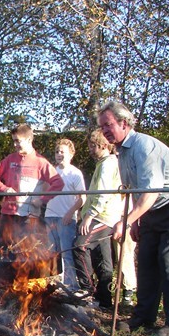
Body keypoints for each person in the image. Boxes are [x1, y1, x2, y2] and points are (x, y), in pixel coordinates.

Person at [98, 101, 169, 336]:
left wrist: (127, 221)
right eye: (102, 127)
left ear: (124, 122)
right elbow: (134, 191)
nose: (105, 131)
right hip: (151, 208)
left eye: (108, 125)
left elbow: (151, 192)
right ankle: (143, 317)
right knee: (146, 260)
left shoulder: (145, 147)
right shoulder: (121, 152)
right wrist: (136, 222)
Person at [0, 124, 64, 247]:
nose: (15, 144)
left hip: (29, 217)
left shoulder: (41, 162)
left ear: (29, 140)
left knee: (24, 254)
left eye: (18, 141)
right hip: (8, 214)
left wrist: (42, 200)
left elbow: (58, 183)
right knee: (2, 251)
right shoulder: (10, 159)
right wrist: (4, 189)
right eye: (13, 141)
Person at [72, 130, 123, 309]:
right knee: (103, 259)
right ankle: (104, 301)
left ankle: (88, 291)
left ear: (102, 145)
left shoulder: (108, 164)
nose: (90, 150)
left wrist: (89, 216)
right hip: (104, 215)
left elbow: (103, 193)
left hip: (103, 216)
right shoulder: (105, 163)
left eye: (93, 146)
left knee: (79, 245)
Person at [44, 139, 85, 292]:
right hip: (50, 216)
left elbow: (82, 198)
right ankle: (55, 284)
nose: (59, 154)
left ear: (71, 154)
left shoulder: (75, 173)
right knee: (52, 253)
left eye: (62, 152)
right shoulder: (52, 172)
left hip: (66, 218)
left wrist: (70, 213)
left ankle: (70, 286)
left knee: (66, 253)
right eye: (57, 151)